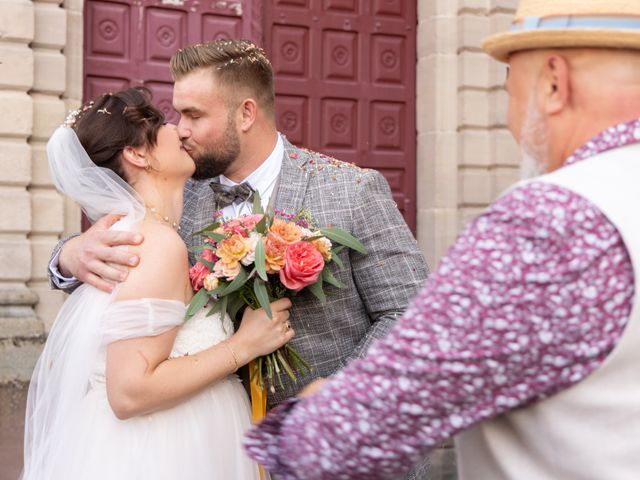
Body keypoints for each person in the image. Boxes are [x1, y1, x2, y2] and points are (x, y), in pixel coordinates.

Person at [242, 1, 640, 479]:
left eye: (510, 88)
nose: (512, 118)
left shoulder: (553, 221)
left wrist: (306, 420)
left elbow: (344, 439)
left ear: (555, 83)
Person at [47, 40, 429, 478]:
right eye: (177, 114)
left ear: (246, 113)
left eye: (194, 115)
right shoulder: (174, 197)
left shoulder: (351, 190)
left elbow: (413, 312)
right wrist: (69, 255)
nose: (181, 129)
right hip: (211, 448)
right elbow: (122, 284)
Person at [23, 88, 295, 479]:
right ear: (137, 153)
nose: (180, 130)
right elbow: (129, 391)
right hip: (160, 451)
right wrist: (243, 345)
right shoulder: (155, 244)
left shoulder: (143, 233)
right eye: (165, 120)